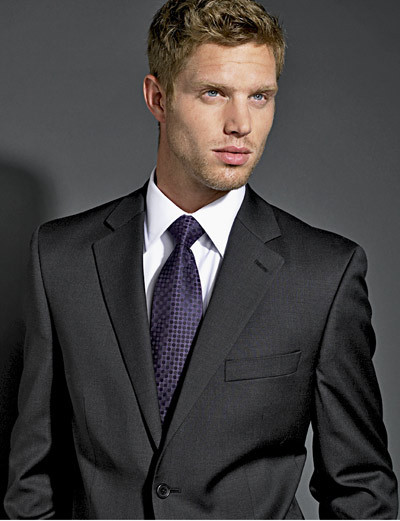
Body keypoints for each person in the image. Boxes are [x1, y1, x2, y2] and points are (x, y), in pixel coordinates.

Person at [4, 0, 398, 518]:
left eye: (260, 96)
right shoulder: (61, 259)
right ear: (158, 98)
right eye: (214, 93)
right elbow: (32, 479)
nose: (241, 124)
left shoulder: (323, 275)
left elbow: (362, 490)